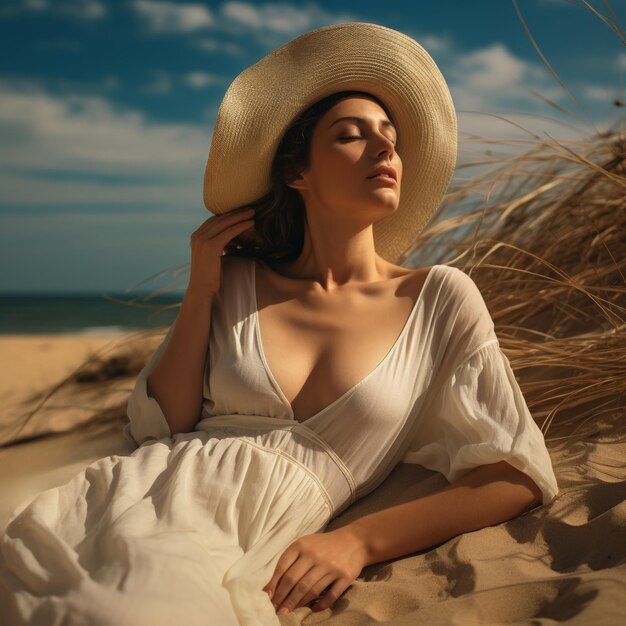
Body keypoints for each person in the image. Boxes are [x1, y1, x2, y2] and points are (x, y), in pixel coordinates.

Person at [0, 22, 559, 625]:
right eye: (351, 135)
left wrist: (358, 541)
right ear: (297, 173)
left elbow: (516, 475)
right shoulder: (238, 281)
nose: (384, 149)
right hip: (133, 494)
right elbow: (163, 425)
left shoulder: (440, 297)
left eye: (390, 137)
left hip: (247, 538)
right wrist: (202, 290)